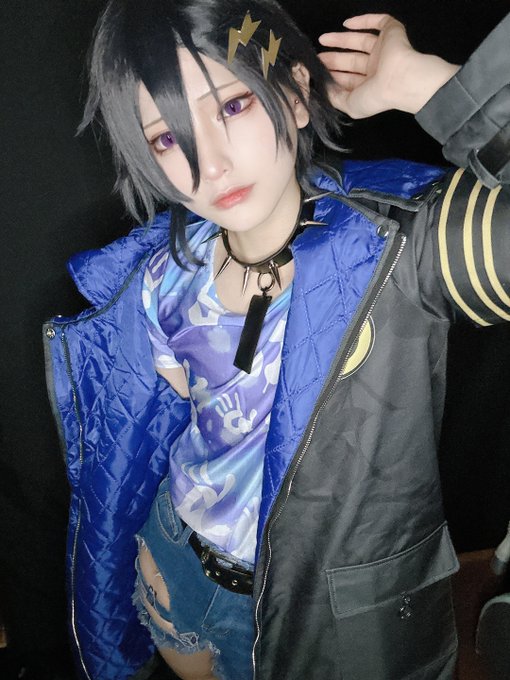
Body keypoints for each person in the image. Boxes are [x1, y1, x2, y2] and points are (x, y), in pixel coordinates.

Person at [43, 1, 510, 679]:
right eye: (168, 139)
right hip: (176, 566)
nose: (210, 163)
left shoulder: (402, 252)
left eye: (232, 106)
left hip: (325, 616)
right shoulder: (161, 276)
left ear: (293, 94)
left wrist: (429, 85)